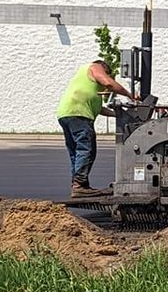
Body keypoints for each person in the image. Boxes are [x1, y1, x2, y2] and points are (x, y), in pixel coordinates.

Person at [56, 58, 135, 196]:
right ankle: (80, 185)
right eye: (107, 74)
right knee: (87, 149)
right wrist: (130, 95)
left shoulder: (88, 87)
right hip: (78, 114)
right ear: (104, 68)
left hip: (66, 114)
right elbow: (108, 83)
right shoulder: (94, 67)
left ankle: (79, 185)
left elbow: (99, 109)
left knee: (76, 151)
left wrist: (119, 115)